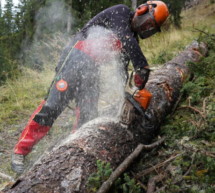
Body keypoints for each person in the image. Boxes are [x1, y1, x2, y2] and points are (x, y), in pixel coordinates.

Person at [11, 1, 169, 173]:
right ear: (142, 11)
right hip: (76, 55)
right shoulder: (121, 13)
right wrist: (142, 66)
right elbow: (126, 38)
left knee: (88, 114)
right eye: (148, 23)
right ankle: (20, 152)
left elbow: (122, 68)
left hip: (93, 68)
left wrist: (127, 91)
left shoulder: (131, 38)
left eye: (151, 27)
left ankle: (71, 152)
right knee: (52, 106)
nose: (147, 28)